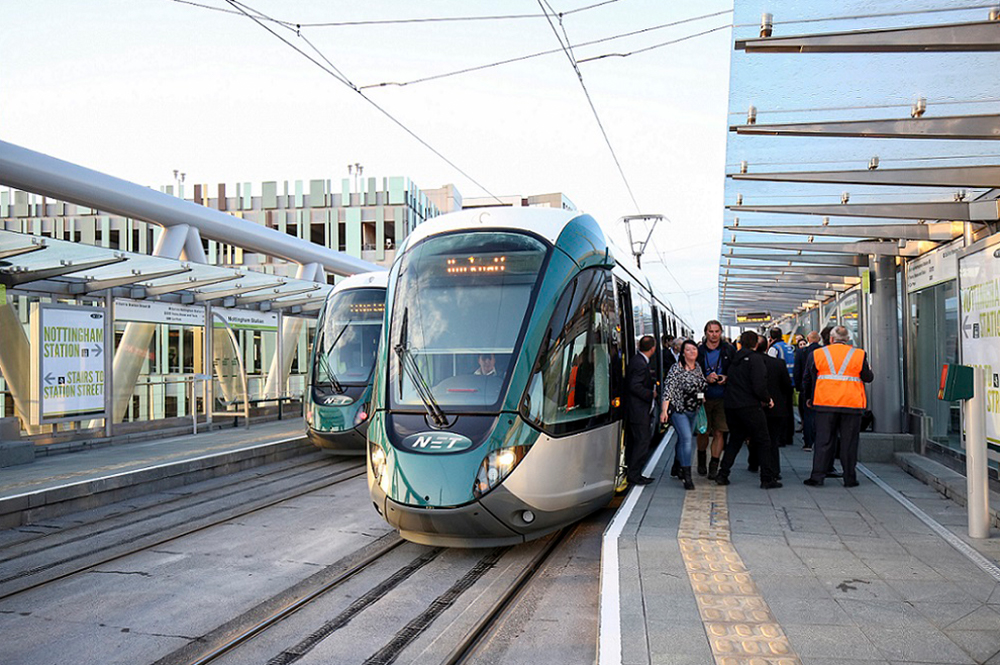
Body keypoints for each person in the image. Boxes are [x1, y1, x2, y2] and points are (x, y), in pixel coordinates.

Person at [803, 326, 874, 488]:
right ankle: (850, 478)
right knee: (849, 443)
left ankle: (817, 477)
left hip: (825, 403)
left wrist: (809, 398)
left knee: (823, 441)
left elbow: (808, 378)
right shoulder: (859, 354)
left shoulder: (818, 354)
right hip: (851, 405)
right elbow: (868, 377)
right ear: (847, 339)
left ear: (831, 339)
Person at [716, 330, 781, 489]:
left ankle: (723, 474)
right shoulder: (755, 359)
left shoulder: (734, 359)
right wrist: (767, 399)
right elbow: (758, 385)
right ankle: (767, 478)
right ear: (756, 344)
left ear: (740, 343)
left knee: (735, 440)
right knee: (764, 440)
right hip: (749, 406)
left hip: (731, 405)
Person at [660, 339, 706, 491]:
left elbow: (701, 386)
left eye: (694, 349)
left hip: (694, 410)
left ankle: (676, 464)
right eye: (688, 350)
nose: (692, 352)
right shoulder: (676, 369)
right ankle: (687, 476)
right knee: (687, 439)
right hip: (679, 410)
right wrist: (664, 411)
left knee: (682, 439)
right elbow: (668, 390)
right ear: (682, 353)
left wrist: (702, 397)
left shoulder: (698, 367)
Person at [696, 320, 735, 479]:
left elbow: (737, 371)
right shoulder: (698, 351)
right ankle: (701, 457)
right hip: (703, 397)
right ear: (706, 333)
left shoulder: (729, 350)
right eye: (711, 331)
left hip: (723, 397)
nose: (714, 335)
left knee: (720, 431)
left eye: (717, 331)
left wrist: (727, 377)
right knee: (703, 432)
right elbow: (690, 373)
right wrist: (705, 379)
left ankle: (714, 464)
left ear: (721, 333)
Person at [625, 335, 657, 485]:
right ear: (653, 348)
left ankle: (634, 472)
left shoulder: (638, 360)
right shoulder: (640, 364)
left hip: (637, 410)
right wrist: (651, 394)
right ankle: (635, 474)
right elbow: (635, 386)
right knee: (642, 441)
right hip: (638, 410)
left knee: (638, 441)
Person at [761, 337, 793, 478]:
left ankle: (757, 464)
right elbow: (787, 386)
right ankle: (774, 470)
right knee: (772, 440)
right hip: (776, 407)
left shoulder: (750, 363)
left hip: (756, 407)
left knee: (759, 438)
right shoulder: (779, 364)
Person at [793, 331, 821, 451]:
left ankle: (808, 443)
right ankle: (820, 440)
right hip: (822, 388)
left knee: (807, 415)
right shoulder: (824, 351)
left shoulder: (801, 352)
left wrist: (799, 387)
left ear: (808, 339)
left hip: (806, 388)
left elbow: (797, 371)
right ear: (819, 339)